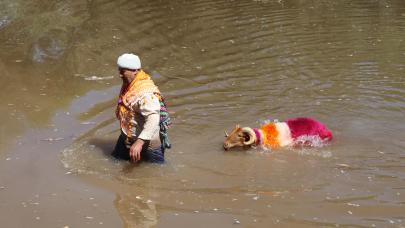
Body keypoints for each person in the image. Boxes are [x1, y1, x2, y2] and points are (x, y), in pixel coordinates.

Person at [112, 53, 171, 163]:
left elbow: (153, 118)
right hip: (127, 137)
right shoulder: (131, 83)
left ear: (135, 70)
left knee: (156, 173)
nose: (120, 74)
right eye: (119, 70)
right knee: (114, 162)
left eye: (123, 71)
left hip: (147, 144)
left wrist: (139, 142)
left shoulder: (146, 94)